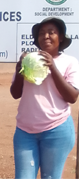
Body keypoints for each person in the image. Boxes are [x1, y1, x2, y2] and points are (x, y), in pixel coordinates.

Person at [10, 17, 79, 179]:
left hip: (57, 130)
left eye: (51, 32)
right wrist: (20, 70)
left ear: (60, 37)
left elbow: (72, 96)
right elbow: (15, 93)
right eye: (42, 33)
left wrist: (52, 67)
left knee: (50, 177)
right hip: (25, 131)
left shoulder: (70, 62)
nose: (46, 36)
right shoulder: (29, 60)